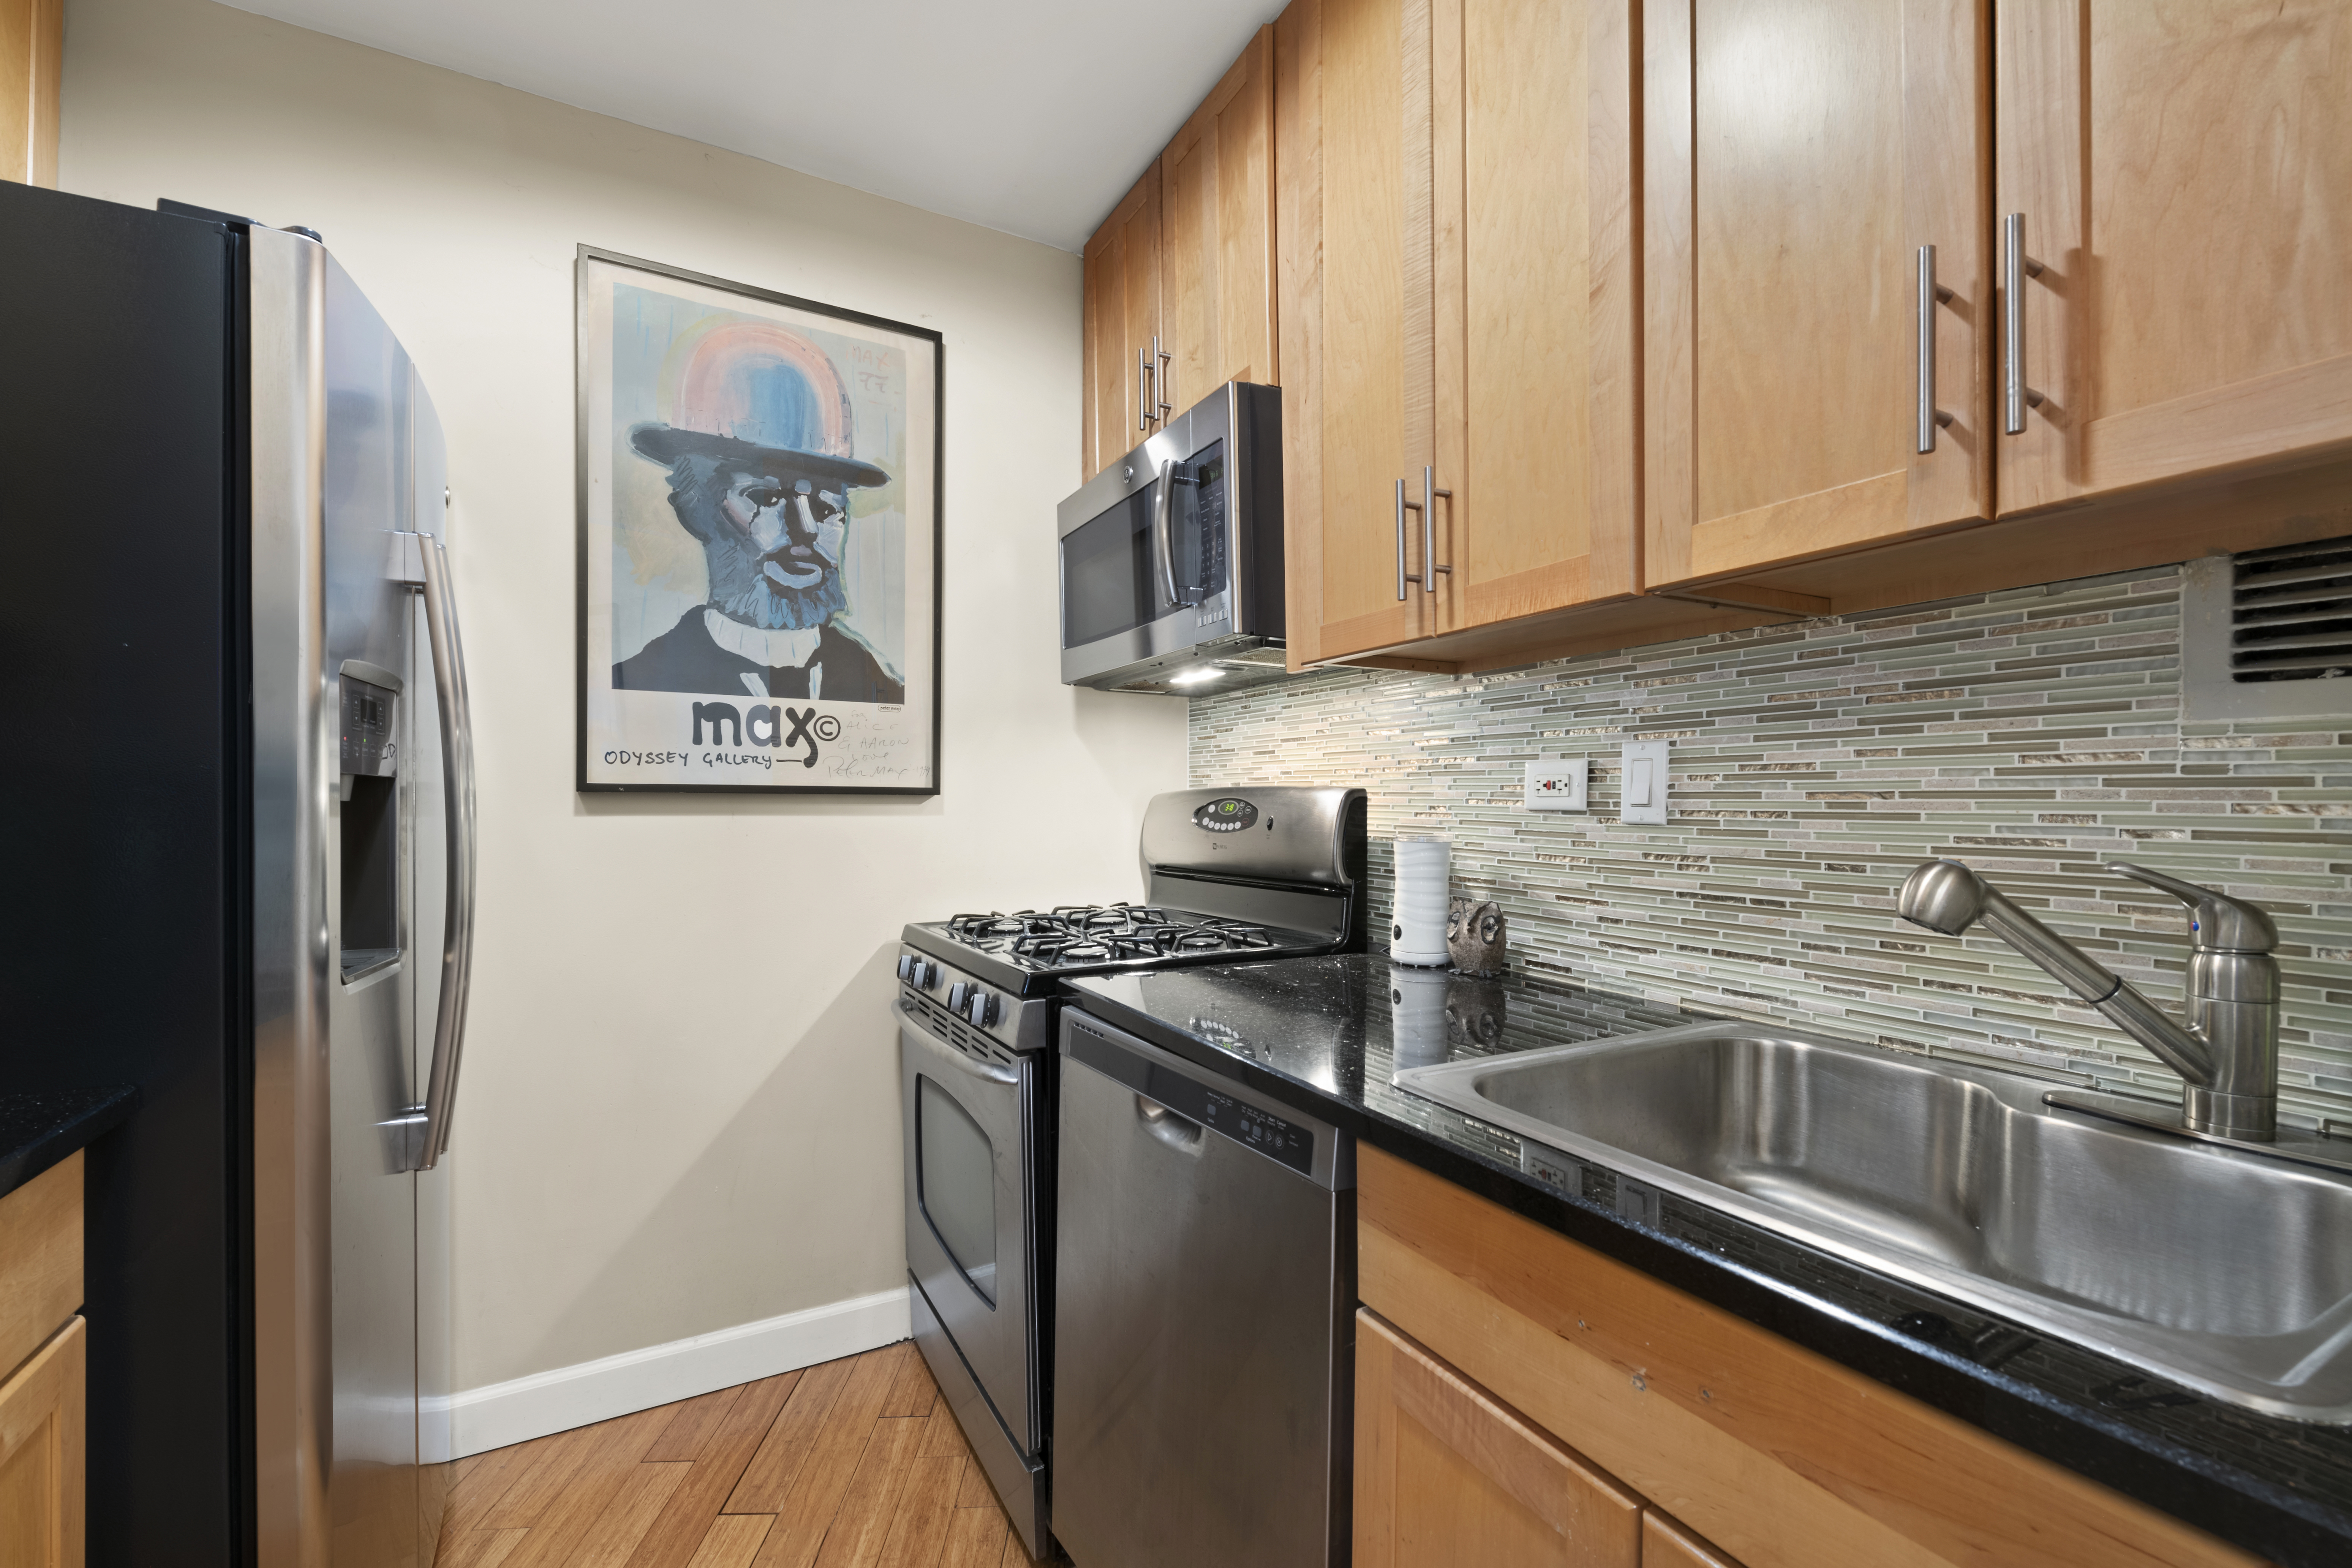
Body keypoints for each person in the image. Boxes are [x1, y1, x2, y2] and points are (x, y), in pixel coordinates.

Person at [613, 320, 904, 703]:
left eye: (824, 506)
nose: (806, 531)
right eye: (766, 498)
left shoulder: (883, 690)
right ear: (694, 510)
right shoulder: (642, 687)